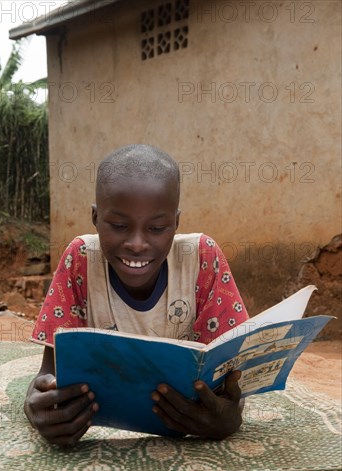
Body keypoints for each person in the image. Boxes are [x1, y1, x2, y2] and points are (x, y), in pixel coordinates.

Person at [25, 144, 249, 446]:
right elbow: (46, 377)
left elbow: (233, 382)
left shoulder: (201, 259)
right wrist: (40, 410)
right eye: (119, 226)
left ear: (176, 223)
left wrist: (229, 418)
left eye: (157, 228)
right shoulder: (80, 260)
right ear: (95, 217)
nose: (137, 243)